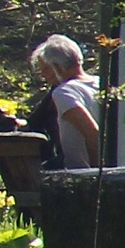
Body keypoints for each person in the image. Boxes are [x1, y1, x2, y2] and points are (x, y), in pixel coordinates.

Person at [32, 35, 104, 170]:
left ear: (58, 67)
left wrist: (96, 176)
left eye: (46, 68)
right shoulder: (101, 82)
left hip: (81, 172)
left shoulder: (64, 92)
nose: (44, 74)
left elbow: (93, 132)